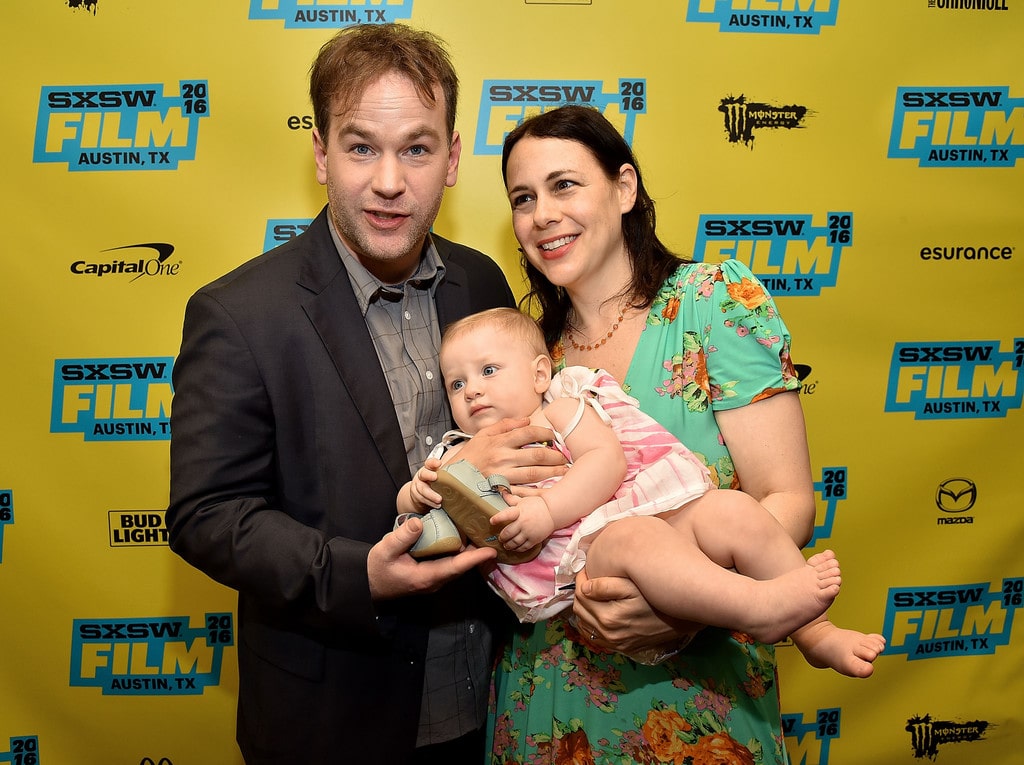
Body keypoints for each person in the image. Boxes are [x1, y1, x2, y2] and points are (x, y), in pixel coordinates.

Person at [165, 23, 568, 764]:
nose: (389, 181)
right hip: (331, 721)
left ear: (452, 159)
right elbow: (206, 515)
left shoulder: (481, 283)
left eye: (416, 148)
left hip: (493, 704)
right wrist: (357, 575)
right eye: (360, 147)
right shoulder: (240, 314)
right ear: (321, 154)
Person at [486, 104, 885, 763]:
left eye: (564, 185)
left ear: (624, 188)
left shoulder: (712, 301)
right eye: (523, 198)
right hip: (547, 699)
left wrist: (682, 604)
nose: (542, 215)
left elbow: (788, 500)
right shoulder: (528, 360)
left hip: (696, 700)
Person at [398, 306, 883, 676]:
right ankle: (757, 608)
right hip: (584, 564)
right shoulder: (458, 452)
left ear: (540, 374)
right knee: (632, 538)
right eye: (456, 384)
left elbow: (606, 462)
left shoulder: (560, 411)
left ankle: (815, 632)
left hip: (639, 515)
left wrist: (547, 510)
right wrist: (417, 494)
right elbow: (412, 511)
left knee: (732, 509)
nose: (472, 391)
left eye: (488, 371)